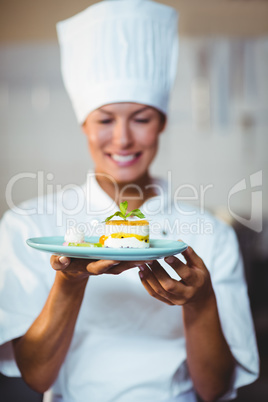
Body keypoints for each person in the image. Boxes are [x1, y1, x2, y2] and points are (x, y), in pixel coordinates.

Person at [0, 1, 259, 401]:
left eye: (141, 118)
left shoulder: (210, 233)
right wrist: (70, 280)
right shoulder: (27, 224)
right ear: (83, 124)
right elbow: (36, 376)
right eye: (104, 119)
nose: (122, 139)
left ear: (162, 124)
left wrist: (201, 302)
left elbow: (215, 390)